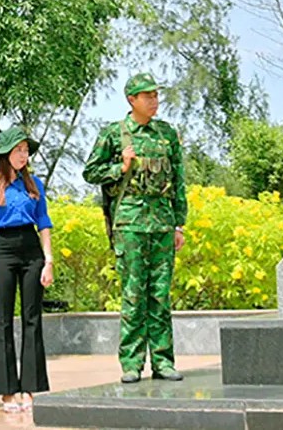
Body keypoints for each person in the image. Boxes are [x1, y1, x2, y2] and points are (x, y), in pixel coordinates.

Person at [82, 73, 187, 384]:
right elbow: (91, 171)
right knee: (132, 294)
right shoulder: (115, 134)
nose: (154, 101)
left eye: (156, 95)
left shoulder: (167, 134)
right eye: (147, 96)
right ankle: (131, 364)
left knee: (160, 295)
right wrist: (120, 167)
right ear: (132, 100)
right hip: (129, 223)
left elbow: (179, 181)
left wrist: (179, 222)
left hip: (163, 223)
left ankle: (163, 361)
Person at [0, 126, 53, 412]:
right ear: (5, 154)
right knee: (3, 318)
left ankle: (31, 388)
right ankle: (8, 391)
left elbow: (44, 223)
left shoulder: (34, 184)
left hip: (31, 248)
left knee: (32, 317)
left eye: (26, 150)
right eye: (18, 150)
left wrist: (48, 261)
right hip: (2, 249)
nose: (23, 155)